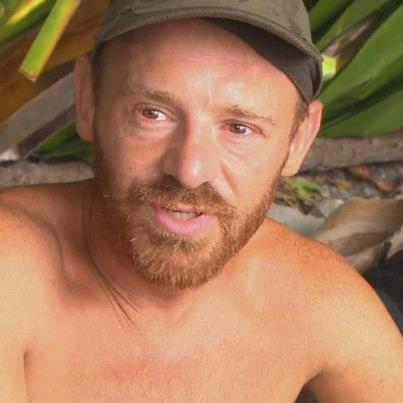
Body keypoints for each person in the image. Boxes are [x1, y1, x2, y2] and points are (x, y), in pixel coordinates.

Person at [1, 1, 402, 401]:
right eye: (153, 114)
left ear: (299, 139)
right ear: (88, 98)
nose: (190, 171)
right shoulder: (14, 267)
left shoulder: (317, 299)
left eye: (239, 128)